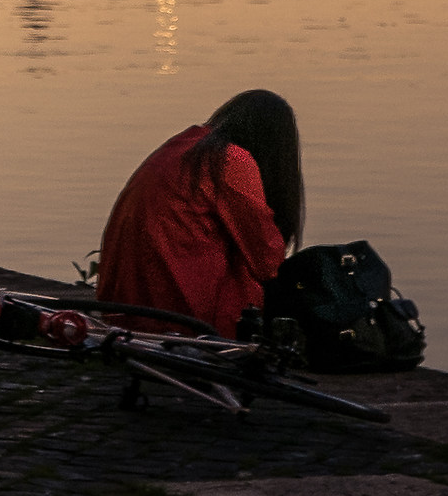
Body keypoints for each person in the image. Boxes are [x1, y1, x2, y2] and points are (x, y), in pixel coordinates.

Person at [96, 89, 305, 336]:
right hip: (182, 318)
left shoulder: (183, 145)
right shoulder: (229, 159)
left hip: (123, 309)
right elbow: (267, 261)